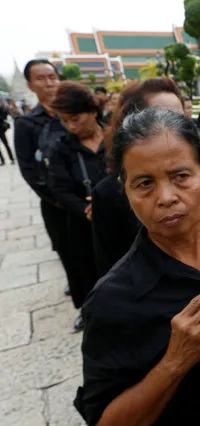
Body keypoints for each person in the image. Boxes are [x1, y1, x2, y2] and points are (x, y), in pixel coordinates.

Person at [75, 108, 200, 426]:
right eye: (144, 184)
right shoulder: (113, 301)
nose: (166, 197)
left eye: (181, 177)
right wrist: (174, 361)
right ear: (125, 191)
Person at [92, 77, 185, 278]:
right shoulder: (108, 193)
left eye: (180, 118)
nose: (167, 198)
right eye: (145, 184)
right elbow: (110, 268)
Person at [48, 82, 107, 331]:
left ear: (92, 111)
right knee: (85, 269)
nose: (71, 126)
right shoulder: (61, 148)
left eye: (75, 118)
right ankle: (90, 312)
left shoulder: (116, 137)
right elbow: (60, 189)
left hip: (119, 217)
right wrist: (86, 209)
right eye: (64, 121)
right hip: (84, 221)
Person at [13, 59, 70, 293]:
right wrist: (55, 199)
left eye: (52, 77)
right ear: (30, 85)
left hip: (88, 197)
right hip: (57, 203)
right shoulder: (27, 124)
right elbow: (28, 169)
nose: (49, 83)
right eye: (41, 78)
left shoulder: (74, 113)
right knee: (68, 251)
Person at [0, 100, 15, 165]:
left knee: (6, 144)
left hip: (0, 129)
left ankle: (11, 159)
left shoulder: (1, 108)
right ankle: (2, 160)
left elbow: (4, 116)